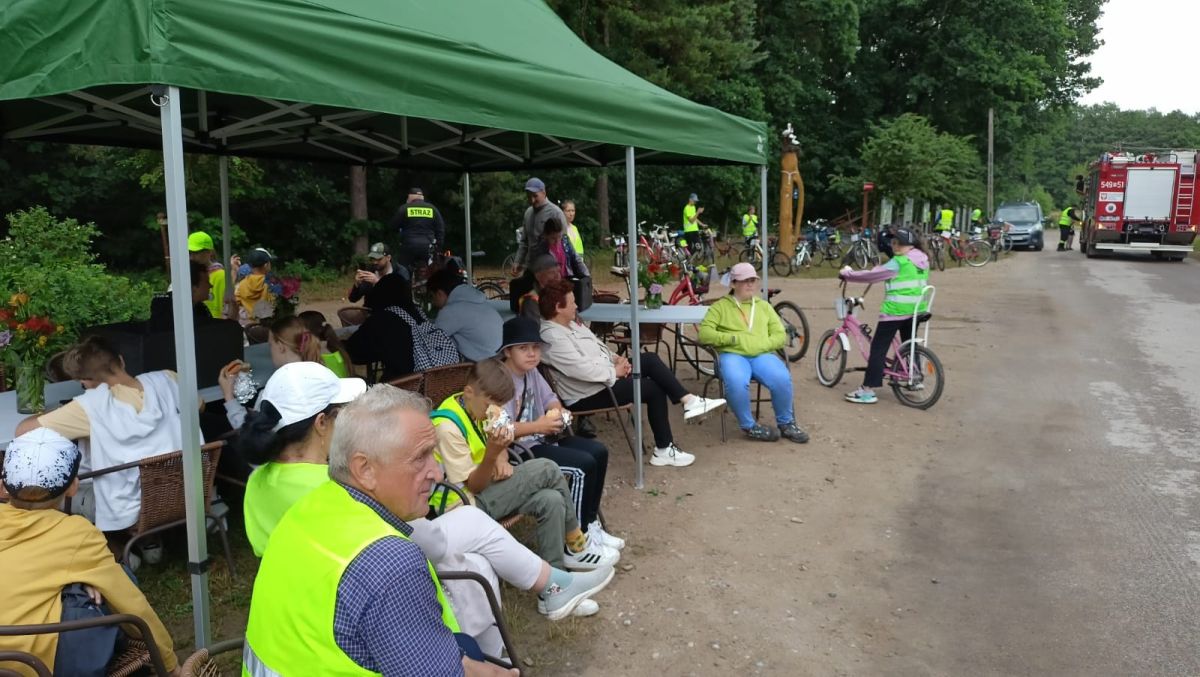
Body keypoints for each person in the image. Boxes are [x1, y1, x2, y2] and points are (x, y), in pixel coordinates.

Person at [235, 367, 610, 649]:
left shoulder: (258, 482)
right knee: (471, 553)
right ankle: (515, 627)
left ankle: (539, 600)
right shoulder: (332, 487)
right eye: (343, 414)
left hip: (307, 591)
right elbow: (418, 544)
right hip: (358, 589)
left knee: (472, 548)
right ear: (321, 424)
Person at [242, 385, 520, 676]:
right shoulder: (391, 562)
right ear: (364, 470)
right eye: (421, 457)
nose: (438, 474)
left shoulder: (307, 506)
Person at [0, 429, 180, 677]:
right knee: (114, 582)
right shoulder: (76, 534)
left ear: (3, 486)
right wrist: (169, 664)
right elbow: (131, 603)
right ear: (74, 486)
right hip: (35, 667)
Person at [432, 359, 618, 571]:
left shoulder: (476, 406)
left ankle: (555, 579)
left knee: (552, 499)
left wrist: (501, 456)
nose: (496, 411)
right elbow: (473, 486)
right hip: (462, 506)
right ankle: (577, 545)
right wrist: (492, 454)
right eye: (491, 405)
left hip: (485, 488)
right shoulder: (448, 428)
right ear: (468, 392)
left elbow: (494, 437)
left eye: (500, 405)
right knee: (547, 469)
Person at [15, 335, 198, 533]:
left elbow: (24, 431)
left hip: (127, 509)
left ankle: (107, 546)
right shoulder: (168, 378)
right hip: (186, 493)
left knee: (53, 490)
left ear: (86, 381)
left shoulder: (91, 406)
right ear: (121, 360)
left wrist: (60, 411)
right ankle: (150, 541)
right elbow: (199, 405)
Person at [538, 279, 725, 468]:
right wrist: (615, 372)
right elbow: (580, 370)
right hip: (586, 394)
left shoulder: (571, 324)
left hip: (604, 379)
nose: (577, 306)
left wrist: (617, 359)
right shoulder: (551, 337)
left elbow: (599, 346)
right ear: (558, 307)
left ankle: (689, 401)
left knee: (650, 359)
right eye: (572, 302)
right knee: (652, 389)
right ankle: (664, 449)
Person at [498, 316, 623, 549]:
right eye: (523, 348)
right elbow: (501, 429)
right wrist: (539, 426)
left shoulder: (531, 372)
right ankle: (575, 540)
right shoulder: (501, 380)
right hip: (518, 451)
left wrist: (558, 413)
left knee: (598, 451)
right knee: (582, 465)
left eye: (536, 347)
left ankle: (590, 524)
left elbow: (551, 399)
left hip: (542, 438)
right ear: (507, 352)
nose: (532, 353)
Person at [698, 263, 810, 444]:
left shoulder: (764, 306)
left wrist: (760, 345)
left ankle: (786, 423)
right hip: (732, 354)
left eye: (753, 280)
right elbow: (704, 334)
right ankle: (749, 426)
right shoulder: (720, 307)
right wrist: (732, 339)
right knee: (736, 381)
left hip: (761, 354)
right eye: (745, 281)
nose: (750, 284)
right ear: (733, 283)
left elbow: (780, 335)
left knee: (782, 377)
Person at [838, 227, 931, 404]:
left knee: (878, 348)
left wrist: (847, 274)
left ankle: (867, 390)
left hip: (896, 311)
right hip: (916, 309)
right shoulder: (922, 258)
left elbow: (872, 276)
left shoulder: (899, 262)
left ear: (909, 245)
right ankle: (914, 377)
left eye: (899, 243)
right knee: (909, 344)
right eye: (893, 242)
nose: (895, 246)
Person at [429, 269, 503, 361]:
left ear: (439, 293)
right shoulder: (477, 300)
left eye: (432, 297)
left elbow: (432, 340)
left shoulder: (451, 311)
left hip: (483, 363)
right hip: (499, 357)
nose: (432, 302)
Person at [512, 177, 567, 276]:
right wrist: (518, 261)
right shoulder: (528, 213)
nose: (532, 200)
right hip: (530, 268)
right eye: (529, 197)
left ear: (544, 193)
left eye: (535, 196)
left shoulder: (555, 213)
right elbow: (524, 241)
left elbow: (564, 243)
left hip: (549, 270)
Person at [388, 187, 447, 279]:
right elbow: (440, 229)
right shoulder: (432, 209)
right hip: (428, 247)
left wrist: (399, 236)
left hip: (408, 247)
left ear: (410, 197)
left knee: (403, 271)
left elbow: (392, 226)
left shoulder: (405, 208)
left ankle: (404, 285)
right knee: (431, 272)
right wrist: (438, 247)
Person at [147, 260, 215, 331]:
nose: (210, 285)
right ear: (193, 287)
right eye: (207, 282)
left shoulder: (200, 308)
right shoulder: (165, 311)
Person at [530, 215, 590, 279]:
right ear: (546, 235)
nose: (557, 241)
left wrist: (586, 276)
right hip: (550, 282)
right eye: (553, 238)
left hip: (567, 279)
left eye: (559, 237)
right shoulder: (540, 250)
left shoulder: (565, 240)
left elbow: (576, 259)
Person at [188, 230, 226, 318]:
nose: (192, 257)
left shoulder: (221, 275)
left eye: (196, 252)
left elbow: (224, 306)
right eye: (190, 252)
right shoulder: (186, 275)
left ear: (209, 252)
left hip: (214, 323)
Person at [234, 247, 275, 323]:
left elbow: (236, 300)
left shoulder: (242, 284)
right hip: (265, 323)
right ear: (266, 265)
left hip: (248, 323)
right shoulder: (269, 284)